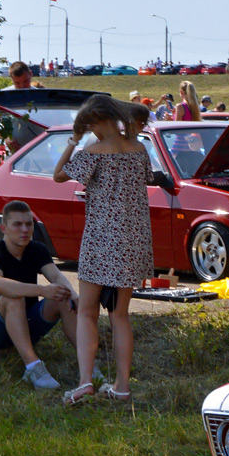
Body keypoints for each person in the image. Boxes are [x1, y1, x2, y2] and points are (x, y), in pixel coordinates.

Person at [53, 97, 153, 405]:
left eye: (87, 126)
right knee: (120, 315)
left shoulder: (93, 152)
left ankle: (85, 382)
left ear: (95, 122)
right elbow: (147, 181)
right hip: (134, 240)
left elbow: (58, 176)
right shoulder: (139, 150)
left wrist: (73, 141)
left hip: (100, 239)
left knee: (86, 312)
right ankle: (122, 385)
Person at [0, 201, 79, 390]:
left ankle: (87, 362)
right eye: (17, 224)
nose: (24, 230)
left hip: (26, 325)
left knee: (62, 294)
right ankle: (33, 367)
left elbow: (56, 276)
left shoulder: (36, 249)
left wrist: (74, 295)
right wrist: (41, 290)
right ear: (3, 228)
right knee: (12, 296)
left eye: (29, 224)